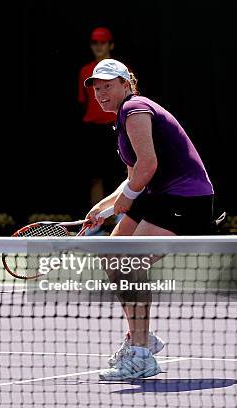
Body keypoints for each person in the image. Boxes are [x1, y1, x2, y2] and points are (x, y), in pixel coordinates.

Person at [83, 59, 214, 380]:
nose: (101, 94)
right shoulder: (123, 119)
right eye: (97, 89)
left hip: (186, 199)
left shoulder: (136, 108)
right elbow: (132, 176)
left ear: (127, 84)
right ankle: (141, 338)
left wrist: (122, 203)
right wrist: (102, 207)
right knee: (112, 258)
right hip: (158, 196)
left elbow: (147, 167)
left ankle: (141, 354)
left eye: (107, 86)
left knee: (131, 263)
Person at [77, 27, 124, 211]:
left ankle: (122, 218)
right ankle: (95, 224)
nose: (98, 46)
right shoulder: (84, 71)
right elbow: (83, 101)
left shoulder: (123, 70)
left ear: (111, 45)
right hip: (93, 130)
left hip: (117, 126)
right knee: (95, 176)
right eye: (94, 43)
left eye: (102, 42)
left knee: (123, 174)